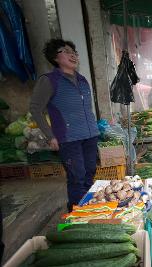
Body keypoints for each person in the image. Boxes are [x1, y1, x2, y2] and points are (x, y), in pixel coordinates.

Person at [30, 39, 100, 212]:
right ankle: (76, 212)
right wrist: (50, 135)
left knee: (90, 172)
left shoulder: (82, 80)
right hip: (69, 138)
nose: (72, 55)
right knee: (77, 177)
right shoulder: (49, 80)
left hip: (89, 135)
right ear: (55, 57)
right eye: (66, 51)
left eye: (74, 52)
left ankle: (87, 209)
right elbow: (36, 109)